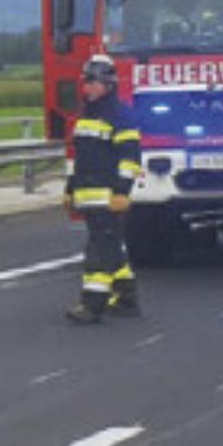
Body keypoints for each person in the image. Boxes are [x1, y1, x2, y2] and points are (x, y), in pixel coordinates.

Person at [64, 55, 144, 324]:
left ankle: (92, 305)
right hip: (88, 195)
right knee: (110, 248)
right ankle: (126, 298)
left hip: (109, 197)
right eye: (87, 81)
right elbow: (81, 159)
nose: (89, 87)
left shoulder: (120, 116)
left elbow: (130, 158)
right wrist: (70, 189)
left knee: (98, 254)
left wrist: (122, 191)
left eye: (95, 82)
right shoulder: (85, 117)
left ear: (108, 84)